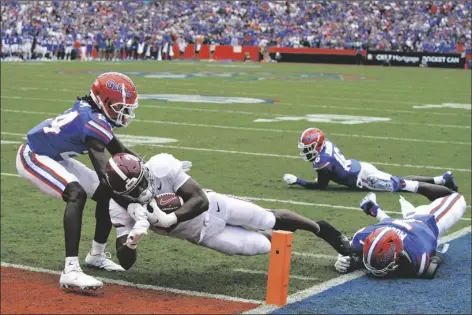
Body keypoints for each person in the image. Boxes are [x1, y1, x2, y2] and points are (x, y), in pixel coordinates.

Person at [105, 153, 351, 270]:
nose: (144, 189)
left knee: (267, 218)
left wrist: (172, 217)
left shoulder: (160, 167)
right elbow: (126, 263)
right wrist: (133, 240)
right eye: (135, 190)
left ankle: (323, 229)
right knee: (262, 245)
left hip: (216, 206)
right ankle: (281, 244)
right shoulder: (119, 206)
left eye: (142, 181)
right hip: (203, 236)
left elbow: (199, 199)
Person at [16, 72, 140, 290]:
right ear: (104, 101)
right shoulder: (93, 120)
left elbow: (119, 151)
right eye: (119, 107)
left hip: (56, 156)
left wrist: (150, 170)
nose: (124, 113)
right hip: (34, 155)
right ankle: (70, 271)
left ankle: (96, 255)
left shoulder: (95, 114)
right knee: (77, 193)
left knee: (106, 193)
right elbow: (106, 174)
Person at [334, 182, 467, 278]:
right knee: (390, 224)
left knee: (457, 198)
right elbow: (346, 245)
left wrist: (353, 261)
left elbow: (435, 262)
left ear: (399, 253)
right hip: (393, 224)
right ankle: (374, 209)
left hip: (427, 221)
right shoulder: (363, 237)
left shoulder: (417, 253)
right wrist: (341, 258)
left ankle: (407, 184)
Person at [283, 127, 458, 193]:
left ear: (317, 145)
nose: (306, 151)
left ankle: (444, 185)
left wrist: (299, 181)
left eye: (308, 148)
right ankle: (441, 179)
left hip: (365, 179)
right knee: (401, 180)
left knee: (405, 186)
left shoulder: (323, 161)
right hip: (360, 168)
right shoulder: (326, 145)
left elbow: (322, 186)